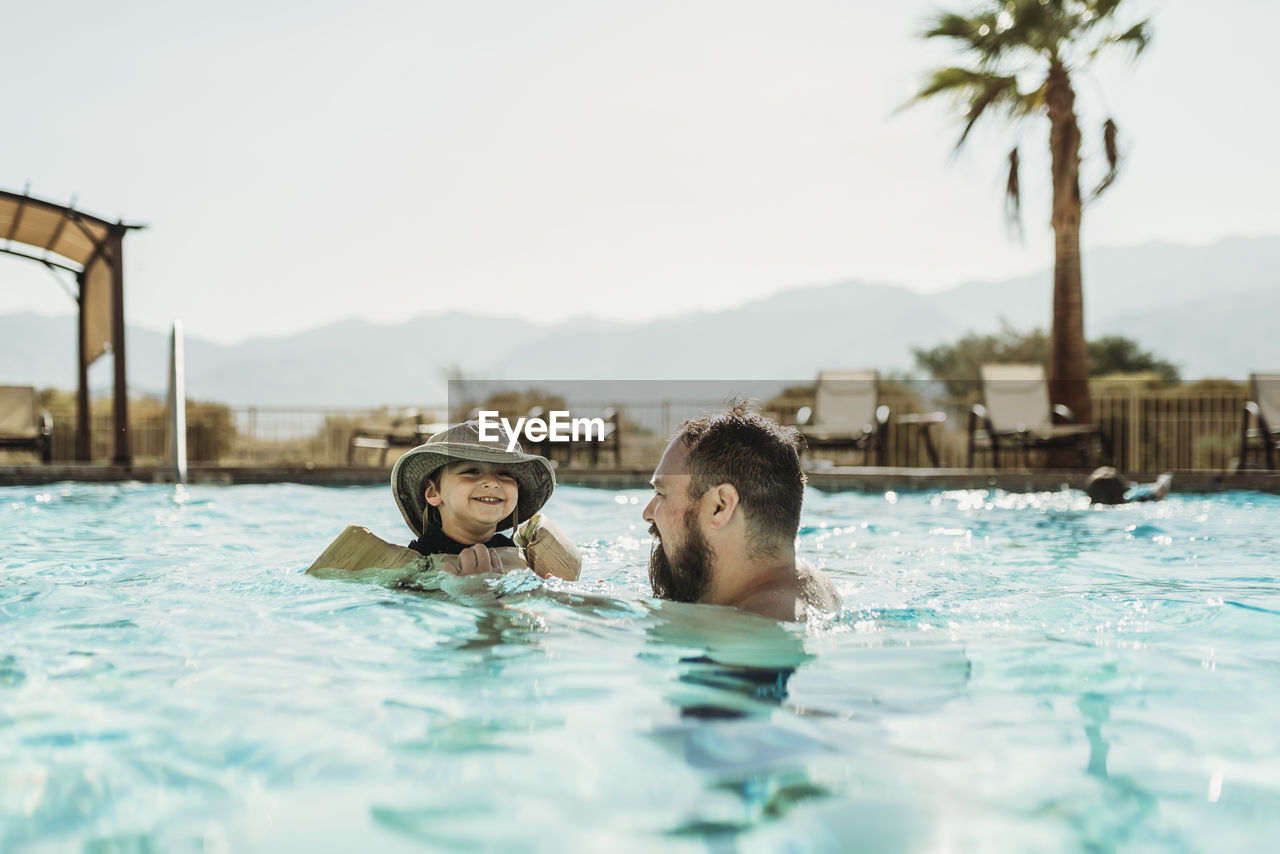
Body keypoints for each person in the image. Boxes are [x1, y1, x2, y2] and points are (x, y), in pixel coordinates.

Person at [642, 402, 840, 622]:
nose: (648, 513)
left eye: (662, 494)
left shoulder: (753, 633)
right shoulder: (808, 582)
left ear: (720, 506)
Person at [390, 420, 578, 579]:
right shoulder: (417, 560)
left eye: (505, 473)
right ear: (432, 493)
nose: (492, 482)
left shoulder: (517, 555)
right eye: (471, 471)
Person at [1084, 466, 1173, 505]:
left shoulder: (1083, 505)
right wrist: (1164, 479)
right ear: (1124, 491)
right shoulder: (1137, 501)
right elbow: (1160, 492)